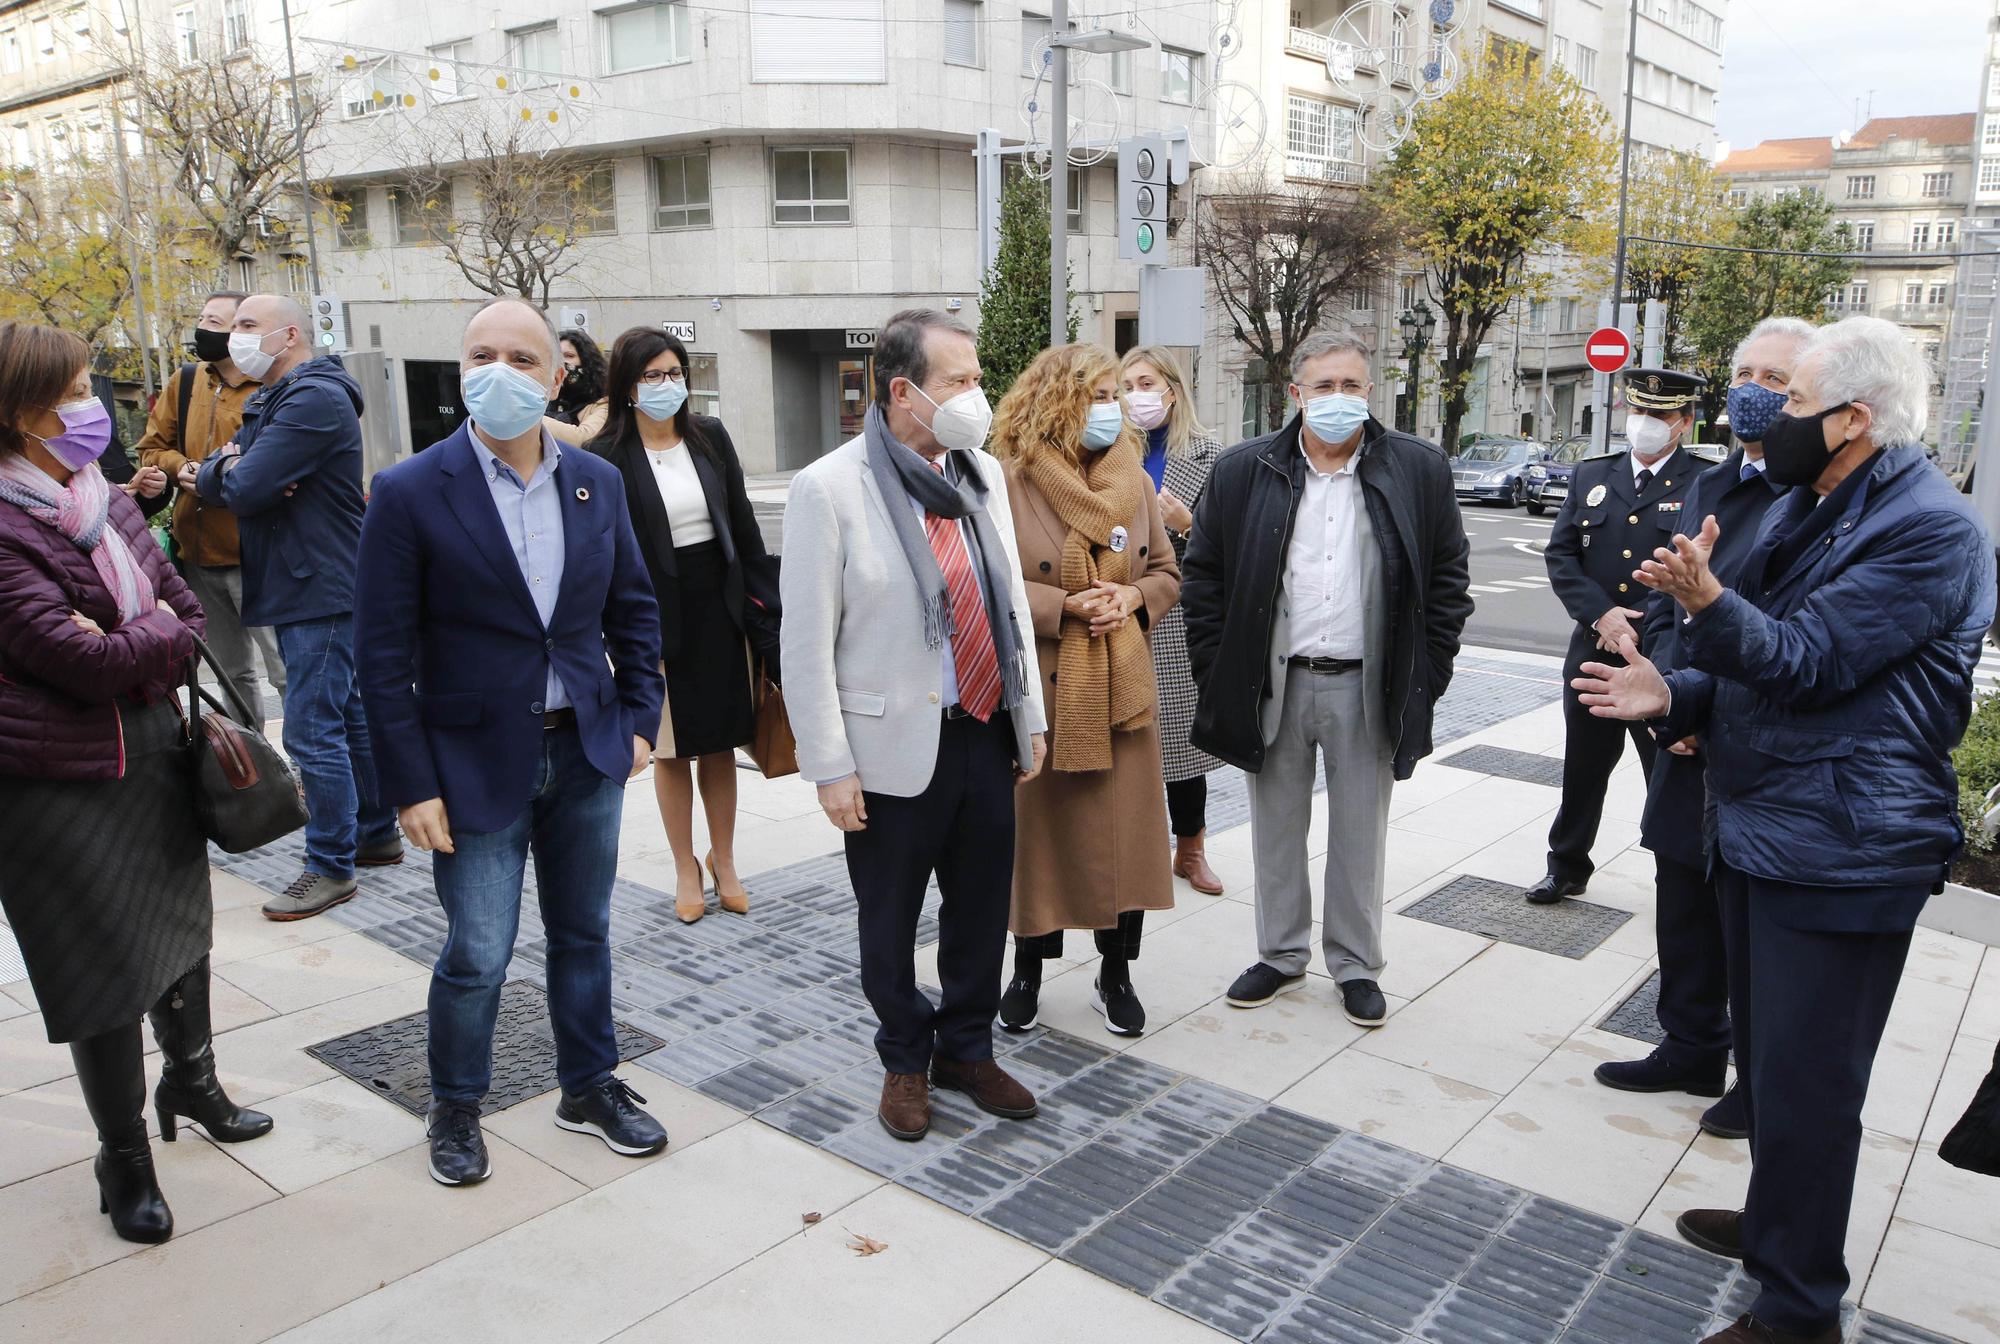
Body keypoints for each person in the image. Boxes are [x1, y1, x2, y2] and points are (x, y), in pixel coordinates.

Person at [1574, 316, 1996, 1344]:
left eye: (1795, 400)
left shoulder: (1925, 526)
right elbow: (1747, 668)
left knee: (1808, 1090)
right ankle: (1776, 1227)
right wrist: (1667, 695)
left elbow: (1804, 661)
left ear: (1854, 418)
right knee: (1770, 1073)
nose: (1772, 416)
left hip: (1842, 846)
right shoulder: (1822, 499)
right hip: (1770, 825)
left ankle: (1797, 1308)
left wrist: (1702, 597)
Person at [355, 297, 669, 1188]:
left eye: (522, 358)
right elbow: (379, 658)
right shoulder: (410, 490)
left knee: (584, 933)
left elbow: (634, 610)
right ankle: (455, 1104)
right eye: (481, 356)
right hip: (469, 763)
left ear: (558, 374)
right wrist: (409, 786)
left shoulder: (596, 482)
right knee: (478, 951)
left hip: (584, 751)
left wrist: (640, 720)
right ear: (460, 371)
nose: (500, 373)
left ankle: (588, 1085)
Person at [0, 320, 271, 1246]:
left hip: (152, 751)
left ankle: (190, 1083)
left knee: (179, 933)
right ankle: (123, 1158)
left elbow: (180, 613)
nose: (95, 409)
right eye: (75, 392)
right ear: (24, 414)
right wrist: (136, 635)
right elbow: (75, 662)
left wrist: (133, 633)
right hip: (56, 785)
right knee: (103, 972)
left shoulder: (100, 502)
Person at [782, 307, 1048, 1141]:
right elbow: (805, 641)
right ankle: (905, 1055)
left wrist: (1029, 715)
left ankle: (967, 1048)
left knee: (978, 908)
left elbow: (1005, 602)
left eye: (977, 379)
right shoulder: (829, 488)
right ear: (902, 393)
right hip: (890, 747)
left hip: (982, 728)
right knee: (889, 918)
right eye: (960, 382)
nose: (979, 397)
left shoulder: (982, 475)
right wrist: (828, 764)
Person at [1183, 331, 1472, 1026]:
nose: (1339, 399)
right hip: (1274, 680)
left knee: (1359, 834)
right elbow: (1205, 577)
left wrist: (1427, 675)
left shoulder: (1417, 468)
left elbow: (1447, 583)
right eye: (1325, 387)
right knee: (1274, 827)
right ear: (1295, 394)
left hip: (1367, 686)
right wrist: (1218, 667)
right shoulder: (1244, 470)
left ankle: (1354, 964)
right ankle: (1280, 955)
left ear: (1369, 392)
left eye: (1352, 387)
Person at [1598, 321, 1811, 1139]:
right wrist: (1657, 682)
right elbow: (1669, 593)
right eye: (1744, 371)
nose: (1755, 389)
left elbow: (1779, 630)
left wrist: (1699, 703)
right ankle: (1690, 1044)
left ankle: (1758, 1087)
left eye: (1777, 377)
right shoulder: (1717, 482)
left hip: (1751, 735)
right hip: (1682, 729)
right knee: (1680, 893)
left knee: (1748, 922)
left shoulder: (1809, 498)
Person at [990, 344, 1179, 1038]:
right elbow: (993, 583)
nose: (1113, 409)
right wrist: (1063, 606)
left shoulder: (1132, 479)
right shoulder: (1010, 479)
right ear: (1058, 398)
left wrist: (1128, 594)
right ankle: (1027, 970)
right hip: (1046, 688)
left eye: (1115, 395)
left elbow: (1166, 571)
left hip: (1119, 689)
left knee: (1123, 842)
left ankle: (1115, 973)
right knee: (1037, 842)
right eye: (1097, 395)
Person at [195, 294, 400, 921]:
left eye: (248, 326)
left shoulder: (311, 398)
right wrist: (230, 469)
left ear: (289, 335)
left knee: (314, 729)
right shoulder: (276, 398)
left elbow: (248, 487)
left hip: (319, 584)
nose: (235, 339)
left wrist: (237, 471)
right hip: (306, 578)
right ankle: (374, 832)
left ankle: (330, 866)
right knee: (349, 714)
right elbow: (226, 481)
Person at [588, 325, 780, 923]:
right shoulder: (608, 456)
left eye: (675, 374)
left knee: (720, 744)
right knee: (670, 750)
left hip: (720, 608)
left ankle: (724, 859)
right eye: (652, 376)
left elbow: (744, 528)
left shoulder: (711, 438)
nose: (666, 385)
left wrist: (764, 612)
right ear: (627, 385)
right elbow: (606, 555)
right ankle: (683, 867)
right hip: (654, 616)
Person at [1526, 367, 1702, 906]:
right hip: (1594, 649)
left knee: (1667, 773)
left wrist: (1639, 621)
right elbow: (1562, 555)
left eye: (1661, 415)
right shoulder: (1591, 475)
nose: (1646, 423)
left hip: (1663, 655)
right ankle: (1567, 865)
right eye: (1639, 411)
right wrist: (1602, 614)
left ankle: (1679, 878)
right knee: (1583, 766)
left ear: (1685, 423)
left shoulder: (1703, 482)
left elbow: (1703, 569)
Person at [138, 290, 286, 732]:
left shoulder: (271, 388)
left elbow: (274, 470)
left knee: (285, 672)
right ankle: (256, 765)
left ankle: (303, 764)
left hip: (256, 556)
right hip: (198, 556)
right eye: (202, 318)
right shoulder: (186, 382)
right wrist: (180, 466)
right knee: (231, 671)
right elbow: (150, 449)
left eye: (216, 322)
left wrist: (215, 473)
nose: (204, 328)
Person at [1121, 345, 1226, 895]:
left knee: (1185, 740)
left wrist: (1189, 524)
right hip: (1123, 609)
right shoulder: (1113, 449)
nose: (1136, 394)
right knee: (1130, 736)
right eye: (1127, 384)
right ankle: (1140, 846)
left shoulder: (1211, 454)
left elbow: (1230, 546)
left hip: (1180, 616)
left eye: (1146, 382)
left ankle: (1191, 849)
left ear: (1172, 388)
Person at [544, 327, 609, 449]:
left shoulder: (603, 404)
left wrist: (530, 419)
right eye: (557, 357)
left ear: (587, 362)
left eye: (569, 356)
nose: (562, 362)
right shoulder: (545, 400)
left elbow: (584, 439)